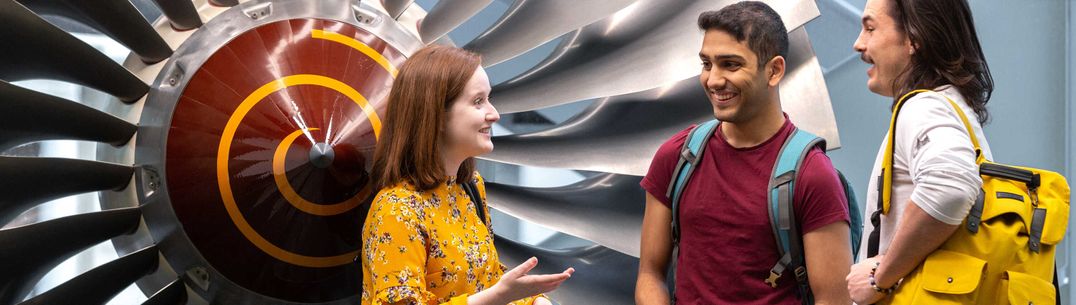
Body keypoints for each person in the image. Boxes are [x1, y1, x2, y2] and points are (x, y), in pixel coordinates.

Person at [635, 2, 852, 304]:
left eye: (731, 64)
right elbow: (650, 275)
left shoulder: (812, 176)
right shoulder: (676, 157)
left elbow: (834, 300)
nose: (713, 80)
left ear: (774, 70)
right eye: (707, 64)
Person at [361, 45, 574, 305]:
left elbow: (486, 278)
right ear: (436, 115)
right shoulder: (396, 210)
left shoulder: (470, 189)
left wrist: (533, 301)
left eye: (489, 98)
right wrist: (499, 296)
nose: (494, 114)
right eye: (477, 101)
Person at [844, 0, 993, 303]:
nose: (858, 44)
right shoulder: (952, 107)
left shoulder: (923, 107)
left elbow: (950, 186)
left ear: (914, 38)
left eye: (870, 28)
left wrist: (879, 276)